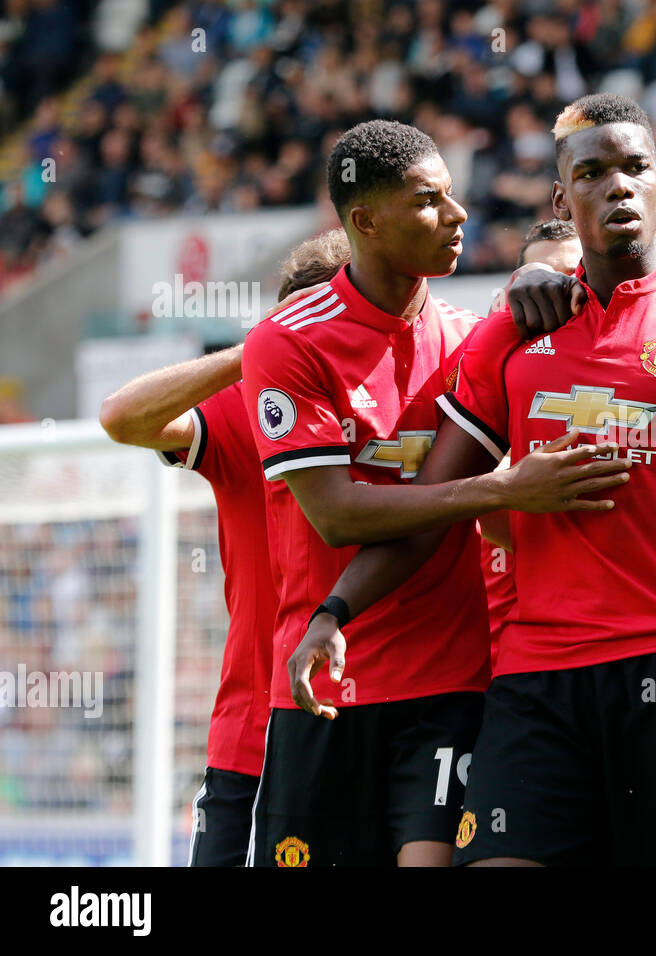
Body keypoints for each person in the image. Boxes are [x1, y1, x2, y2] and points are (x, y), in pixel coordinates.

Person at [295, 94, 656, 866]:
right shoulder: (511, 334)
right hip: (535, 685)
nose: (615, 187)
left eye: (633, 169)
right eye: (590, 173)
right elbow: (429, 509)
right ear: (563, 199)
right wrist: (335, 609)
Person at [240, 119, 633, 868]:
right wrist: (499, 489)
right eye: (429, 202)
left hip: (448, 680)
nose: (457, 217)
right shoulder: (289, 343)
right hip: (325, 679)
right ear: (365, 222)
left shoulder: (471, 339)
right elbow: (337, 514)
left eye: (453, 196)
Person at [95, 228, 352, 865]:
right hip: (257, 737)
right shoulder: (248, 409)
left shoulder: (419, 395)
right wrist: (262, 353)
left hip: (403, 714)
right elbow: (124, 417)